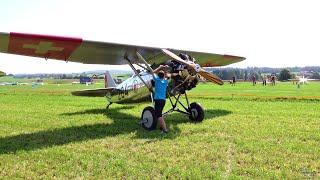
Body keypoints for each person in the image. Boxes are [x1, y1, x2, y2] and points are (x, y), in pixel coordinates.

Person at [152, 65, 170, 134]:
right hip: (163, 100)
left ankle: (165, 130)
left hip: (158, 100)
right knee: (159, 114)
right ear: (163, 76)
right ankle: (161, 127)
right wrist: (165, 69)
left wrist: (160, 67)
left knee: (158, 115)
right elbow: (167, 75)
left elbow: (153, 72)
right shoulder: (165, 82)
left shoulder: (157, 80)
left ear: (158, 76)